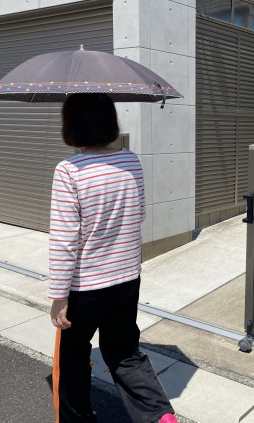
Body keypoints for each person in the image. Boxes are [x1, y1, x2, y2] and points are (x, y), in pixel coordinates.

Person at [48, 93, 177, 423]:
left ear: (71, 125)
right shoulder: (131, 161)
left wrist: (59, 296)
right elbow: (138, 215)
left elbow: (64, 240)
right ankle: (159, 416)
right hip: (126, 279)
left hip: (86, 287)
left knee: (72, 355)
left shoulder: (69, 171)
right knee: (124, 353)